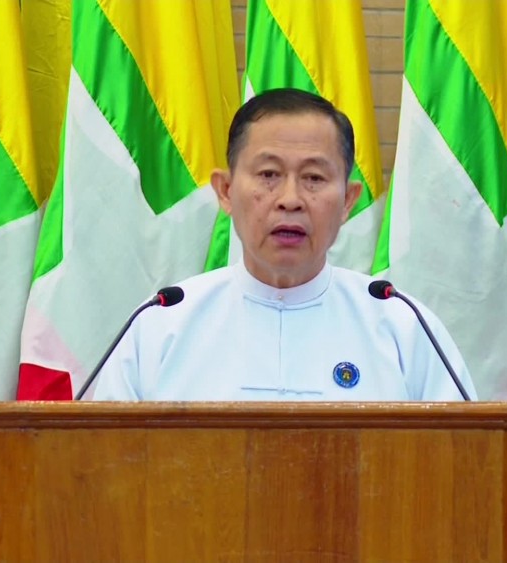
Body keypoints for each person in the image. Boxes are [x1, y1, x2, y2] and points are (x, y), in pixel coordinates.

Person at [92, 88, 476, 401]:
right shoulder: (162, 324)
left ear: (347, 201)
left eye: (313, 178)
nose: (290, 199)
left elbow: (464, 460)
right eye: (269, 174)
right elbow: (103, 460)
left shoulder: (403, 327)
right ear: (225, 191)